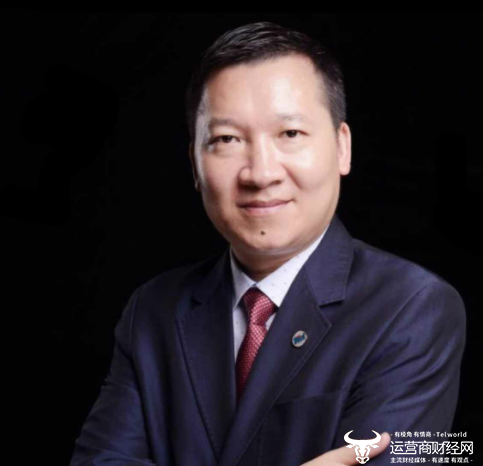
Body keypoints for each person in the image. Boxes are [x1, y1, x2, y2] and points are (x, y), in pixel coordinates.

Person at [70, 21, 466, 466]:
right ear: (195, 165)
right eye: (227, 139)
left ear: (342, 148)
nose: (260, 173)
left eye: (290, 134)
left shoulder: (413, 307)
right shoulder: (153, 310)